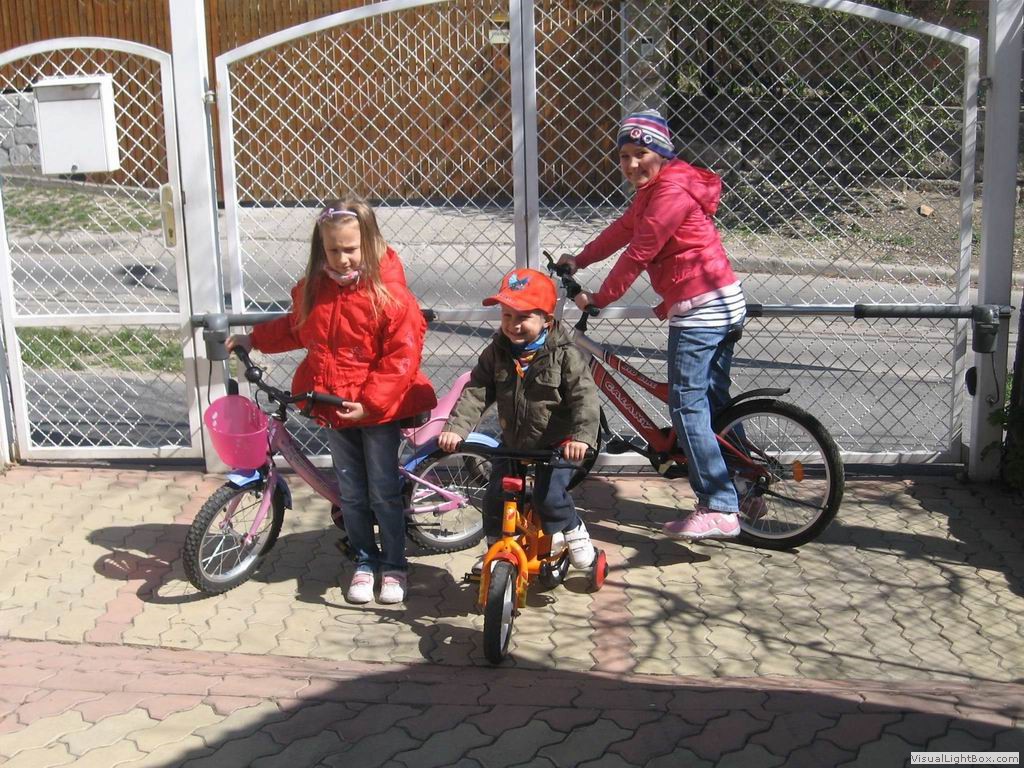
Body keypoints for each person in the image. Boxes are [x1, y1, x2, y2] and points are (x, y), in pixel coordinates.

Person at [228, 195, 436, 604]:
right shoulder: (315, 291)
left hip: (377, 411)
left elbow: (402, 357)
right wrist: (254, 339)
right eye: (333, 250)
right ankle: (364, 560)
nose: (342, 259)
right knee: (351, 491)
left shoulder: (390, 295)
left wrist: (371, 404)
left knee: (382, 491)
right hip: (334, 405)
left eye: (351, 249)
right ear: (320, 248)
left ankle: (394, 564)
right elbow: (295, 328)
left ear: (370, 244)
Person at [559, 109, 752, 541]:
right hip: (717, 300)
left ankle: (719, 505)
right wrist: (580, 259)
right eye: (623, 156)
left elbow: (638, 252)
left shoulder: (670, 193)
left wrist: (599, 298)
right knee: (714, 403)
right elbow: (622, 230)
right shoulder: (656, 190)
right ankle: (745, 480)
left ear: (662, 153)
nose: (631, 164)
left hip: (702, 309)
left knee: (687, 406)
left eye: (640, 154)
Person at [437, 268, 601, 571]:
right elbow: (477, 390)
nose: (513, 325)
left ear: (546, 320)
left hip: (558, 446)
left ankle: (574, 530)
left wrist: (581, 438)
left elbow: (585, 399)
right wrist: (457, 428)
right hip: (514, 443)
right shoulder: (497, 352)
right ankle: (495, 549)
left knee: (548, 497)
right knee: (496, 495)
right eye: (507, 316)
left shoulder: (565, 356)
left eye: (523, 317)